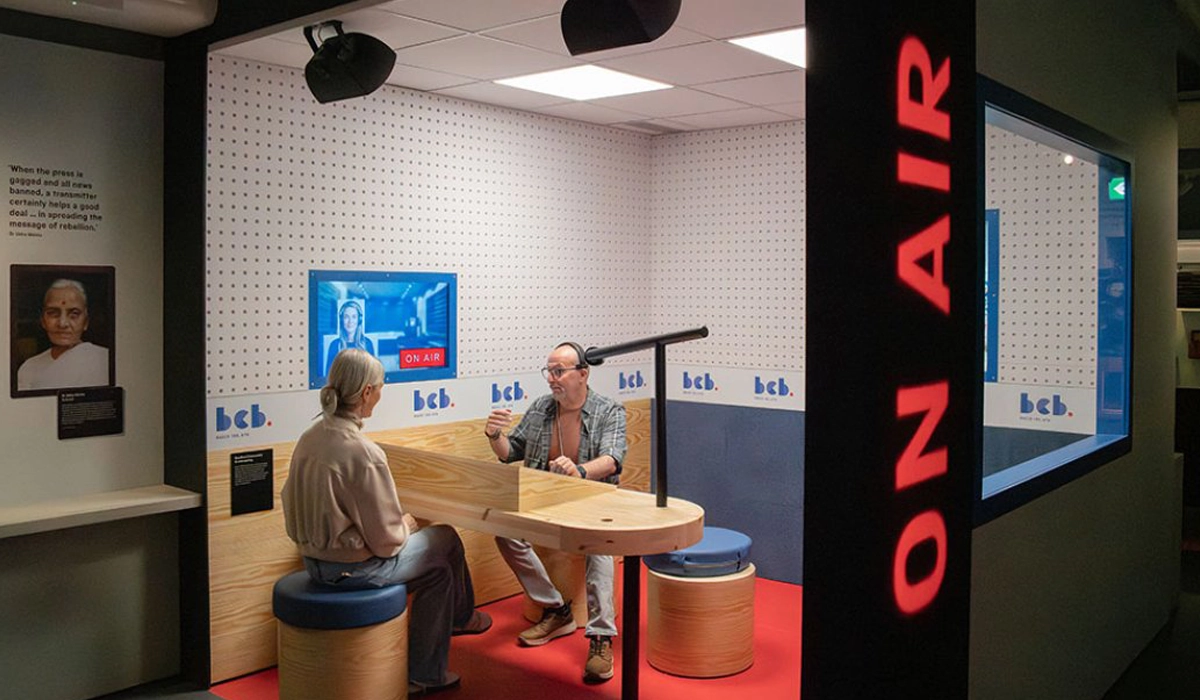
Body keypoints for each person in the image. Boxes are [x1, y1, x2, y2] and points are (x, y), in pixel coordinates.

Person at [282, 349, 490, 695]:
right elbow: (387, 542)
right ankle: (432, 664)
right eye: (380, 387)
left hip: (314, 563)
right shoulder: (363, 453)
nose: (381, 394)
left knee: (440, 560)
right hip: (353, 573)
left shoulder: (310, 437)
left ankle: (457, 625)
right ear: (366, 392)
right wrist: (408, 523)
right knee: (447, 541)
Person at [485, 341, 627, 684]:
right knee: (503, 529)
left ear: (582, 373)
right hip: (544, 503)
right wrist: (494, 434)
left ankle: (600, 637)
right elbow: (509, 453)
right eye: (548, 371)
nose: (551, 378)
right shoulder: (539, 409)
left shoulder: (610, 410)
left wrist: (579, 471)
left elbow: (612, 459)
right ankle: (555, 609)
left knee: (600, 544)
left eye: (559, 371)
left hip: (592, 502)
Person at [16, 278, 109, 391]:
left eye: (74, 314)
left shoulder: (104, 360)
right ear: (43, 321)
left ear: (85, 322)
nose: (62, 323)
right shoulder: (29, 368)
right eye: (53, 313)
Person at [325, 300, 376, 376]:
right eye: (346, 317)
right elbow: (328, 376)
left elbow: (373, 375)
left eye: (354, 317)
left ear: (359, 320)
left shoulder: (367, 344)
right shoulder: (335, 345)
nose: (350, 321)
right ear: (341, 320)